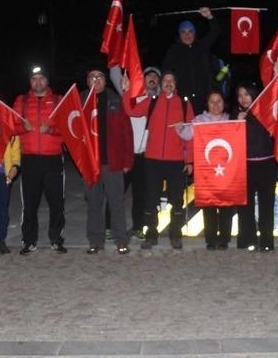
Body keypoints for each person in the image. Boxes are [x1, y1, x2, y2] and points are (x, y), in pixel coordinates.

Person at [122, 71, 194, 249]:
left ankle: (175, 234)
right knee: (150, 199)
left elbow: (191, 135)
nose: (168, 83)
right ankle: (151, 235)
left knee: (177, 200)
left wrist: (190, 161)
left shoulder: (184, 104)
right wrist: (126, 91)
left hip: (176, 160)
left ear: (175, 84)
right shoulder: (152, 101)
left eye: (171, 80)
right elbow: (131, 110)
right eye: (165, 80)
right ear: (161, 84)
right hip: (152, 160)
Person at [13, 65, 66, 255]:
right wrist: (22, 128)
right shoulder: (22, 100)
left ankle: (56, 239)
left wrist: (51, 130)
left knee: (56, 203)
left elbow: (69, 129)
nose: (38, 82)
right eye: (34, 78)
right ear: (30, 81)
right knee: (30, 203)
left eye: (41, 78)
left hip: (52, 159)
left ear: (47, 81)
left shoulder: (59, 100)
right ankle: (29, 240)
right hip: (30, 160)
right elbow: (12, 125)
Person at [82, 69, 134, 254]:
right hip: (90, 164)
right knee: (94, 204)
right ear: (87, 81)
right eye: (92, 77)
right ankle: (95, 240)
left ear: (105, 80)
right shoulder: (80, 101)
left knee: (116, 203)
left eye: (100, 77)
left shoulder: (115, 100)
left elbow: (127, 133)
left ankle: (121, 240)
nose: (96, 80)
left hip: (113, 162)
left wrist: (128, 160)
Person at [179, 90, 233, 250]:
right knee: (209, 205)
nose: (216, 105)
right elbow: (187, 135)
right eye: (212, 101)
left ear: (224, 103)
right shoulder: (199, 120)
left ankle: (224, 239)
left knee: (225, 205)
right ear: (207, 104)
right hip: (206, 169)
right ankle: (210, 239)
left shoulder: (231, 120)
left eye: (219, 101)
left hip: (226, 169)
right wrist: (181, 127)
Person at [113, 65, 161, 239]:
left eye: (156, 76)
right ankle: (110, 227)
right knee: (117, 193)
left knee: (140, 194)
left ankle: (138, 226)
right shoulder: (130, 97)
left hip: (144, 156)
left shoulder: (159, 101)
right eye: (149, 76)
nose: (152, 79)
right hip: (125, 154)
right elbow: (113, 72)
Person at [234, 81, 276, 252]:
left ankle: (267, 241)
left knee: (267, 204)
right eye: (240, 95)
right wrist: (237, 123)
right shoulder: (236, 114)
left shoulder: (265, 111)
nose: (243, 98)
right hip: (246, 165)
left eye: (246, 94)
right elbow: (231, 140)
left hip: (267, 163)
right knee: (246, 205)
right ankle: (247, 239)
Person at [162, 7, 220, 114]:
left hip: (204, 98)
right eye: (183, 32)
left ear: (194, 33)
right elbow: (166, 71)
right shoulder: (174, 50)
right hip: (183, 99)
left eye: (190, 31)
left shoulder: (202, 46)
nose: (187, 35)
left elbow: (215, 32)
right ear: (179, 34)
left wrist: (210, 17)